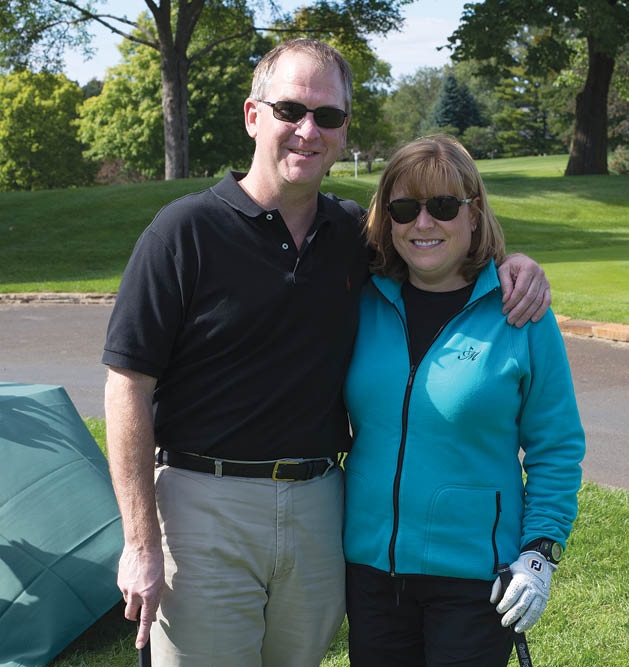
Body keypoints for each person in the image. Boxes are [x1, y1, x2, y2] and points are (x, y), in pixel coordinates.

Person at [102, 41, 551, 667]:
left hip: (320, 508)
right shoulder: (182, 232)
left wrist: (513, 265)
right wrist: (140, 541)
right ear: (254, 116)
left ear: (344, 130)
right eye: (290, 109)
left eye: (328, 115)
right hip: (204, 504)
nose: (308, 130)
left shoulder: (351, 236)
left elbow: (434, 243)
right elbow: (127, 386)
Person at [342, 134, 585, 667]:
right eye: (405, 208)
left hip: (477, 581)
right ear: (388, 218)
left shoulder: (520, 312)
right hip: (371, 576)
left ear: (473, 215)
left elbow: (557, 446)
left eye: (444, 206)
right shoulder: (361, 301)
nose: (423, 224)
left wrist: (540, 553)